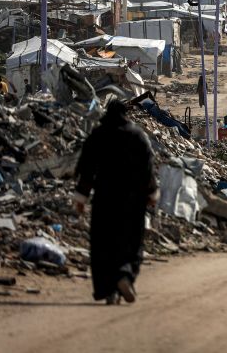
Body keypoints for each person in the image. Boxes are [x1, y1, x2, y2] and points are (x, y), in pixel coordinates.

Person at [74, 101, 158, 304]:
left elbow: (87, 169)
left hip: (105, 197)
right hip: (133, 200)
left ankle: (110, 289)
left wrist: (81, 197)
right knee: (131, 241)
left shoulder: (98, 135)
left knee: (104, 244)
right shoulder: (138, 136)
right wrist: (151, 193)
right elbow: (148, 169)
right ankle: (124, 276)